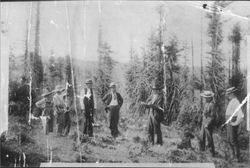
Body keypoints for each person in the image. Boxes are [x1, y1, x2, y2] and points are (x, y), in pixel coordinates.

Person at [141, 80, 164, 145]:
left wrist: (152, 105)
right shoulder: (151, 96)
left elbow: (160, 107)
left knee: (157, 130)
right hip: (150, 113)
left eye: (155, 89)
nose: (154, 91)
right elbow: (148, 104)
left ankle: (159, 143)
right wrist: (145, 105)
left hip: (156, 114)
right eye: (153, 89)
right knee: (150, 129)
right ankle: (151, 143)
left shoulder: (160, 97)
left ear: (158, 90)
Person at [225, 87, 244, 162]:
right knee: (229, 140)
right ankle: (232, 155)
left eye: (229, 94)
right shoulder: (231, 101)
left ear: (232, 94)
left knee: (233, 140)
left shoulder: (236, 102)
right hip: (229, 123)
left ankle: (237, 157)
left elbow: (240, 115)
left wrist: (235, 123)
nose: (228, 95)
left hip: (233, 123)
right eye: (228, 94)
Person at [199, 90, 216, 157]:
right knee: (201, 136)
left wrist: (208, 123)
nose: (205, 98)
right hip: (204, 121)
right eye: (205, 97)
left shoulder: (212, 105)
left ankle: (211, 152)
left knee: (209, 137)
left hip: (208, 122)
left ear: (210, 97)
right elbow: (204, 113)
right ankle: (202, 150)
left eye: (206, 97)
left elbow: (212, 116)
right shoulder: (206, 103)